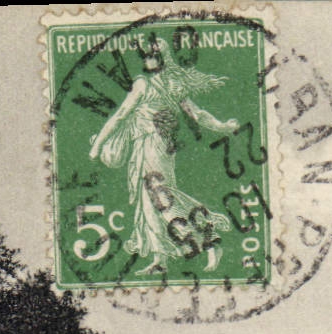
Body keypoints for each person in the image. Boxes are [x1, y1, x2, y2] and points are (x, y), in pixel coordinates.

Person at [87, 35, 240, 275]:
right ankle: (161, 260)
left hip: (153, 147)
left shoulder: (145, 85)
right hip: (151, 148)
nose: (147, 59)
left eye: (151, 55)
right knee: (148, 205)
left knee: (162, 199)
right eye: (146, 55)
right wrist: (222, 127)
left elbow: (121, 115)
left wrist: (97, 146)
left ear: (161, 58)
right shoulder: (171, 85)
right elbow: (197, 114)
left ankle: (211, 240)